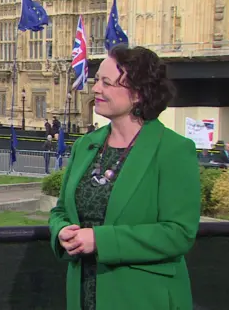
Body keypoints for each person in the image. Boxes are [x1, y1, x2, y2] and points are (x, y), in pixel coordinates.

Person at [48, 45, 201, 310]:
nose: (95, 89)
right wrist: (60, 231)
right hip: (83, 294)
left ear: (138, 93)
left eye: (107, 83)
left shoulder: (173, 150)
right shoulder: (86, 146)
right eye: (97, 81)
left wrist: (100, 240)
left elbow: (178, 233)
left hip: (143, 297)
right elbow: (61, 210)